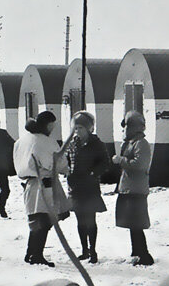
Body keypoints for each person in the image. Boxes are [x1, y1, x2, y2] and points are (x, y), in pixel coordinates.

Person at [13, 110, 72, 266]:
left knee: (35, 219)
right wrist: (66, 169)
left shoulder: (21, 140)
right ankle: (36, 254)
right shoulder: (44, 141)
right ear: (48, 124)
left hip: (29, 183)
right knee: (44, 220)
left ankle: (30, 252)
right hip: (44, 184)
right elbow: (55, 163)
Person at [65, 110, 108, 264]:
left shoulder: (97, 144)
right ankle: (84, 250)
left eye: (81, 128)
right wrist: (67, 172)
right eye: (75, 128)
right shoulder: (72, 144)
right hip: (75, 187)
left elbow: (104, 163)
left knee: (90, 220)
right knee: (80, 220)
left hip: (89, 187)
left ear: (89, 128)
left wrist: (93, 173)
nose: (77, 131)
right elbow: (67, 160)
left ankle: (93, 250)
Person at [113, 110, 154, 266]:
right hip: (130, 187)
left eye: (126, 126)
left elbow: (140, 164)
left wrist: (121, 160)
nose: (124, 130)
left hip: (136, 189)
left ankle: (144, 254)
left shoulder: (141, 143)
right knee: (132, 223)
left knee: (137, 223)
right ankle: (136, 251)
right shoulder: (132, 142)